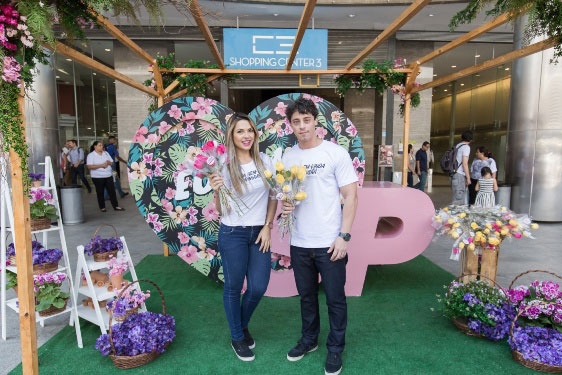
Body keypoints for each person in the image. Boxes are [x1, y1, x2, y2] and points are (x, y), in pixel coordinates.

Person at [281, 97, 358, 375]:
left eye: (306, 120)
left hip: (330, 243)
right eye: (296, 122)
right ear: (291, 125)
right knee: (306, 297)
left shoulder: (334, 153)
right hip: (300, 242)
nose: (302, 126)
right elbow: (287, 195)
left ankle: (335, 349)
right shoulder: (288, 157)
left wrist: (344, 236)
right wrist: (286, 203)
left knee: (335, 299)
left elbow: (350, 196)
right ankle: (309, 340)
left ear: (315, 122)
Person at [208, 113, 277, 362]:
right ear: (231, 136)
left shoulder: (265, 161)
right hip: (233, 232)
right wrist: (217, 191)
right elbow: (220, 209)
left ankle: (240, 325)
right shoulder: (224, 166)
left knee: (258, 286)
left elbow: (272, 197)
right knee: (233, 287)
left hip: (259, 231)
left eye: (249, 130)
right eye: (240, 131)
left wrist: (268, 226)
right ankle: (238, 336)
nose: (246, 135)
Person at [86, 141, 125, 212]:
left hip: (108, 175)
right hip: (97, 177)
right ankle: (102, 207)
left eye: (102, 145)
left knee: (112, 191)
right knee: (100, 192)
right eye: (100, 145)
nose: (102, 147)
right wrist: (101, 165)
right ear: (95, 146)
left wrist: (108, 163)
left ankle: (116, 206)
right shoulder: (91, 155)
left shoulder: (106, 153)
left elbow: (112, 162)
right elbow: (89, 166)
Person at [451, 130, 473, 205]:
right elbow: (465, 164)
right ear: (470, 139)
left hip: (453, 174)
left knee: (456, 197)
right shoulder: (466, 147)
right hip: (459, 174)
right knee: (459, 200)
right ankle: (456, 215)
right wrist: (468, 178)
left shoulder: (457, 146)